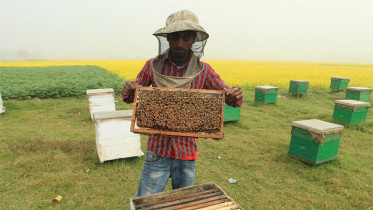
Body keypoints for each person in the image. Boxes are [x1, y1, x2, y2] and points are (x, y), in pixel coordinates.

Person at [122, 10, 243, 197]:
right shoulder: (152, 66)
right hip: (157, 150)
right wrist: (130, 88)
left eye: (186, 38)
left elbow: (229, 97)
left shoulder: (205, 71)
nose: (180, 43)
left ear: (194, 39)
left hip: (186, 153)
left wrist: (234, 95)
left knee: (183, 203)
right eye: (175, 37)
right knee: (146, 202)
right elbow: (132, 96)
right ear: (167, 38)